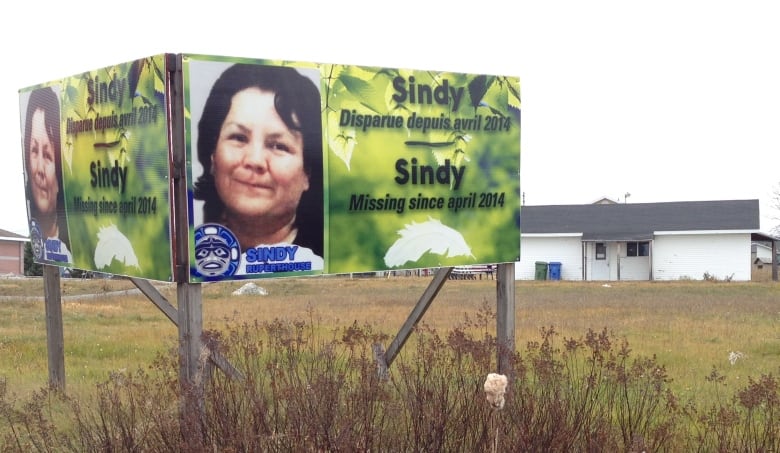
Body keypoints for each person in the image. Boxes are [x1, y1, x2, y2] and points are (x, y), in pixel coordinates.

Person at [193, 63, 323, 274]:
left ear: (308, 172)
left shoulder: (322, 260)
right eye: (238, 138)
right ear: (212, 155)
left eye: (278, 146)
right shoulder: (185, 243)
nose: (255, 160)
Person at [23, 86, 71, 263]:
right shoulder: (37, 246)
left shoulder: (76, 250)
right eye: (34, 150)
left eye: (48, 156)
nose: (40, 169)